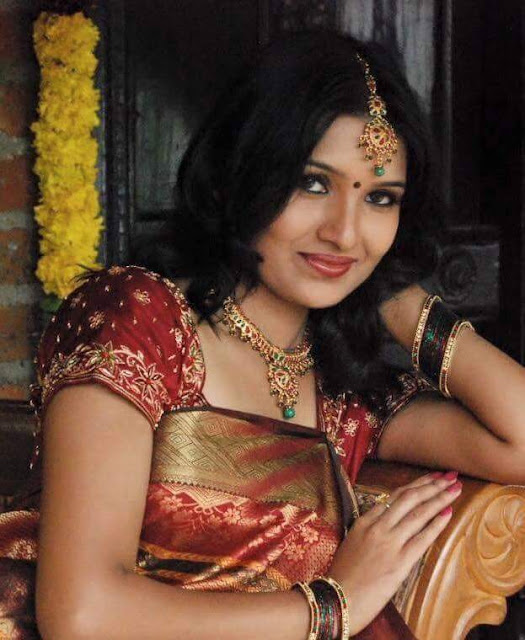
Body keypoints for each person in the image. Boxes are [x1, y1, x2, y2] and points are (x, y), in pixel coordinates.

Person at [0, 30, 524, 640]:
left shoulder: (341, 393)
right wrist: (333, 606)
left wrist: (401, 302)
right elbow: (82, 615)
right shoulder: (142, 321)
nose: (344, 233)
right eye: (314, 183)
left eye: (381, 198)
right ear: (239, 176)